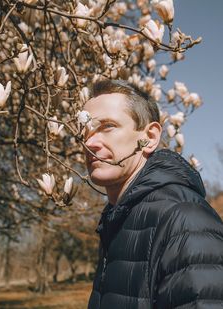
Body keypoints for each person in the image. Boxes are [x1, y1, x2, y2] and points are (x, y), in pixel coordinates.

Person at [83, 79, 223, 309]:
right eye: (85, 131)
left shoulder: (184, 220)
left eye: (107, 126)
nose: (90, 142)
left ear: (149, 138)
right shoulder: (117, 217)